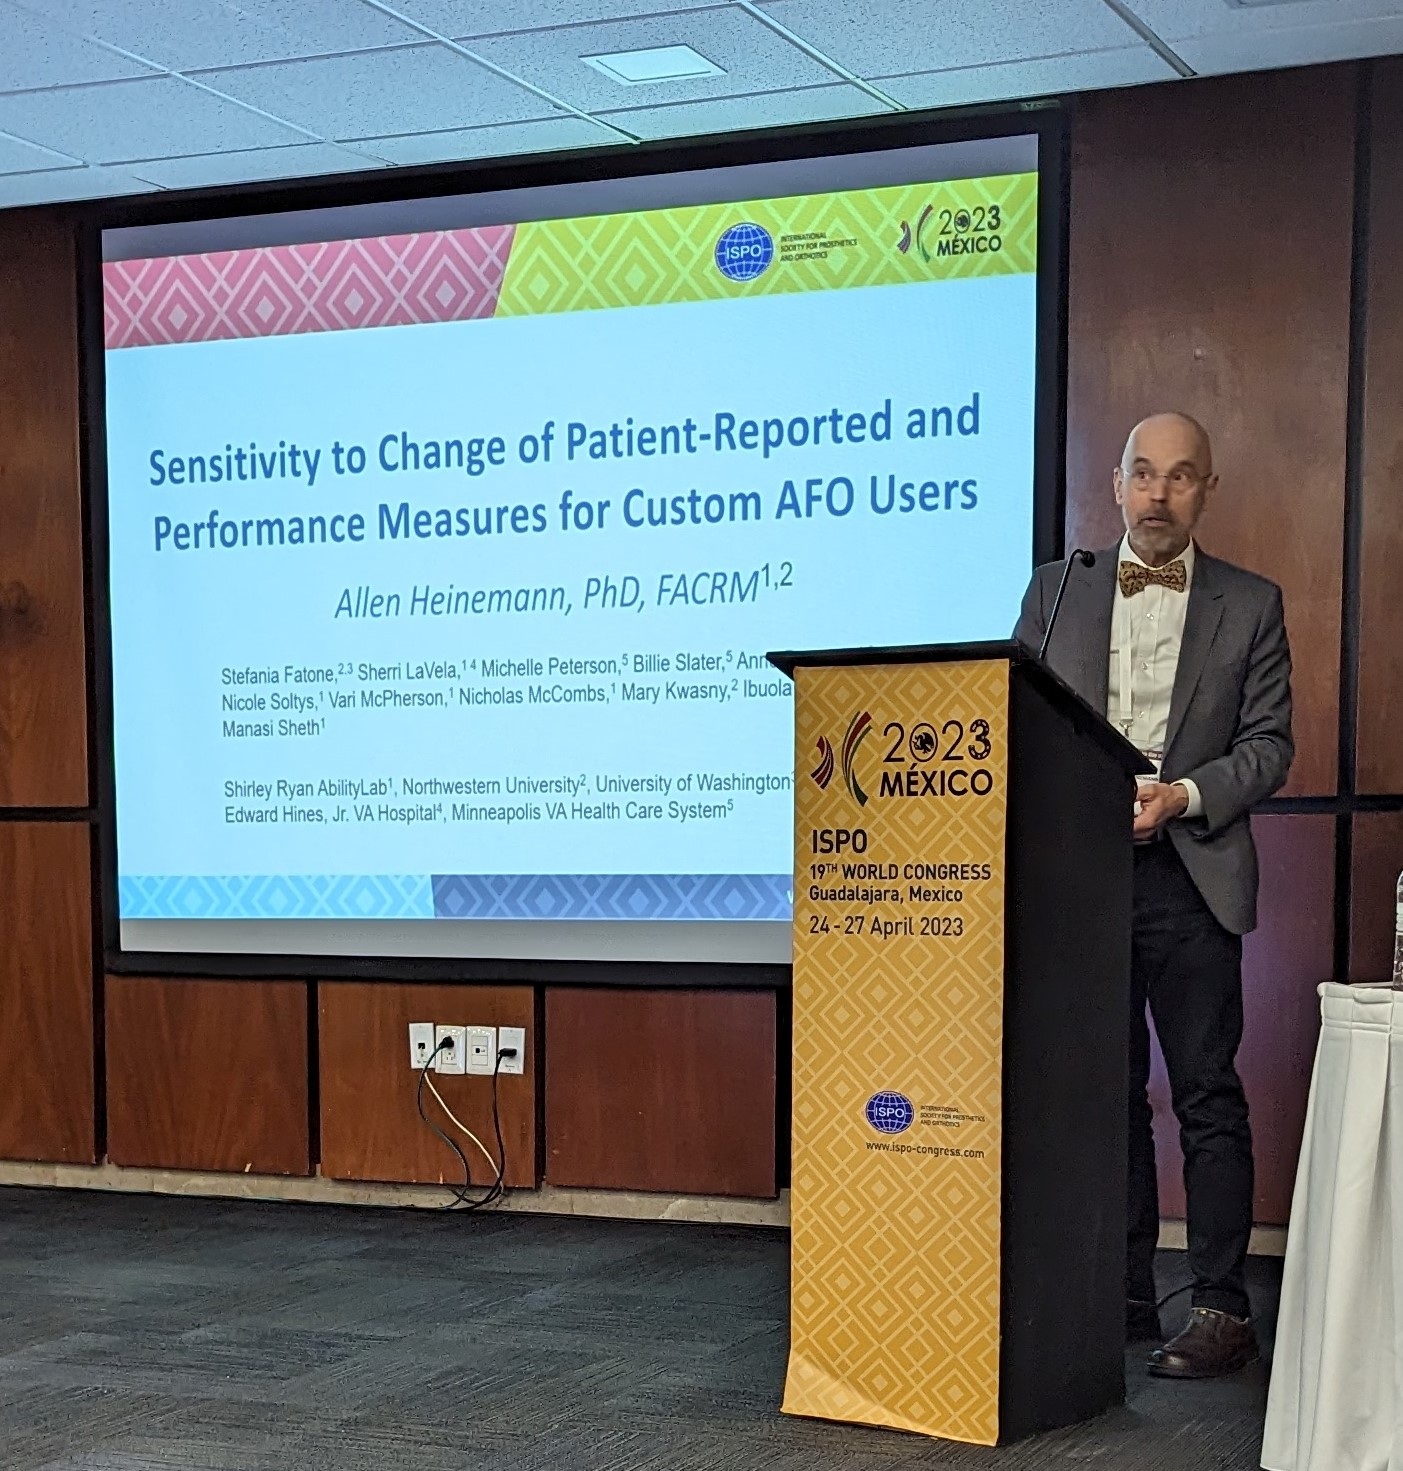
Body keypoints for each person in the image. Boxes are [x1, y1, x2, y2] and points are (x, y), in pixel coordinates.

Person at [1014, 412, 1293, 1379]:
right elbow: (1021, 722)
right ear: (1117, 483)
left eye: (1180, 477)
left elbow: (1268, 747)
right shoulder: (1055, 594)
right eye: (1144, 474)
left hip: (1193, 875)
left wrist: (1181, 794)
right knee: (1104, 1097)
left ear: (1206, 488)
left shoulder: (1251, 603)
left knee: (1207, 1094)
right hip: (1082, 883)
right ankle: (1119, 1294)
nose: (1159, 494)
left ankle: (1221, 1306)